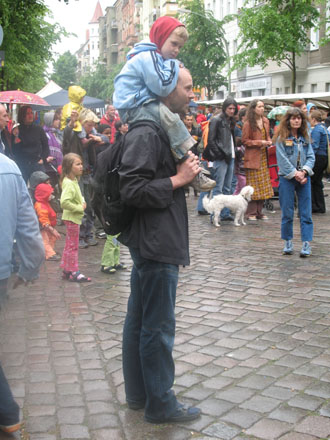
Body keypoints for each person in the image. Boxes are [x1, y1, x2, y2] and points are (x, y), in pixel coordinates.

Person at [118, 67, 201, 424]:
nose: (191, 94)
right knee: (157, 325)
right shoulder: (147, 131)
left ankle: (139, 395)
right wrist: (179, 179)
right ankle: (161, 404)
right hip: (156, 240)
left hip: (153, 236)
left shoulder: (155, 127)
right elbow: (131, 190)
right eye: (187, 87)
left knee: (140, 319)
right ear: (166, 88)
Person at [113, 15, 215, 192]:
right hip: (136, 105)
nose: (176, 50)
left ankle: (190, 164)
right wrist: (174, 66)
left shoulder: (153, 57)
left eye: (179, 47)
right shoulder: (149, 56)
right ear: (160, 37)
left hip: (136, 103)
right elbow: (161, 86)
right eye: (173, 44)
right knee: (171, 122)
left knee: (170, 123)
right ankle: (189, 165)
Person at [0, 153, 44, 433]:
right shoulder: (9, 168)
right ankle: (7, 412)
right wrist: (27, 270)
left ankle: (7, 411)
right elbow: (31, 233)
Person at [62, 108, 108, 248]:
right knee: (79, 205)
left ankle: (88, 234)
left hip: (88, 173)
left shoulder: (92, 134)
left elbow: (107, 138)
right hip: (75, 175)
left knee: (89, 206)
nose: (92, 127)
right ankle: (80, 236)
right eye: (89, 124)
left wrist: (100, 138)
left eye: (93, 125)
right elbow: (66, 135)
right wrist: (72, 122)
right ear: (82, 123)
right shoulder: (76, 134)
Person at [274, 107, 315, 257]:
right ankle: (288, 241)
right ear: (288, 120)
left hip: (304, 178)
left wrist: (304, 171)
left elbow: (311, 157)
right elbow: (282, 159)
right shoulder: (281, 139)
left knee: (306, 212)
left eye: (299, 118)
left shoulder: (305, 137)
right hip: (287, 178)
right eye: (293, 118)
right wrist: (295, 173)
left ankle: (306, 243)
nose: (296, 120)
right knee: (287, 212)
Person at [60, 153, 91, 282]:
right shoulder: (69, 183)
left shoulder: (74, 181)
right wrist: (79, 208)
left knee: (69, 245)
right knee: (73, 246)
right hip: (72, 218)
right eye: (77, 164)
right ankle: (74, 271)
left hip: (73, 218)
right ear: (69, 166)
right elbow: (64, 202)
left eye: (81, 164)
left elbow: (78, 195)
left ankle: (67, 269)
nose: (81, 167)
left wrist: (82, 201)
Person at [206, 97, 239, 221]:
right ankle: (214, 215)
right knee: (218, 187)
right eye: (230, 108)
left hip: (230, 155)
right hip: (222, 157)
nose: (232, 111)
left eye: (233, 109)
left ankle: (224, 213)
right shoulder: (216, 120)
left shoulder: (230, 121)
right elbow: (211, 140)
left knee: (227, 187)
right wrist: (219, 154)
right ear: (225, 108)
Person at [242, 99, 274, 220]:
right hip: (252, 157)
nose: (262, 108)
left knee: (263, 185)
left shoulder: (265, 121)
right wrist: (260, 142)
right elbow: (245, 141)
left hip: (264, 156)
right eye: (259, 106)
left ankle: (259, 212)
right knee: (253, 186)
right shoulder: (248, 123)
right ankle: (251, 213)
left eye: (263, 106)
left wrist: (269, 141)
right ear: (253, 109)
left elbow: (267, 135)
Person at [11, 106, 53, 183]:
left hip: (36, 163)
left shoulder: (38, 129)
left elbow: (45, 146)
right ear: (22, 116)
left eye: (31, 113)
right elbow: (14, 151)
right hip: (23, 164)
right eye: (27, 114)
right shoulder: (17, 130)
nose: (30, 115)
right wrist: (15, 136)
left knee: (41, 186)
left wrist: (43, 159)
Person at [34, 183, 61, 261]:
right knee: (45, 240)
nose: (51, 196)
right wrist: (53, 230)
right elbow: (44, 221)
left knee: (51, 238)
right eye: (49, 194)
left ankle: (49, 252)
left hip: (47, 227)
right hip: (42, 228)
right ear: (44, 195)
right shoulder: (41, 206)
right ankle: (49, 254)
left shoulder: (45, 202)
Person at [310, 110, 329, 214]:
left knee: (312, 181)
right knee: (318, 182)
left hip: (318, 157)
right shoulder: (325, 129)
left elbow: (314, 146)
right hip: (324, 157)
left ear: (313, 119)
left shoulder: (317, 130)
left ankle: (314, 205)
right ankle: (320, 206)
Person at [43, 111, 63, 188]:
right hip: (49, 167)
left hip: (58, 167)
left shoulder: (57, 133)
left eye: (58, 119)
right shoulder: (44, 134)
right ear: (50, 120)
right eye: (56, 119)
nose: (58, 121)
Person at [233, 107, 247, 195]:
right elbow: (238, 142)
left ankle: (231, 204)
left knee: (238, 187)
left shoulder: (243, 126)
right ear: (243, 117)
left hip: (242, 161)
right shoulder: (238, 127)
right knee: (241, 185)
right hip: (239, 159)